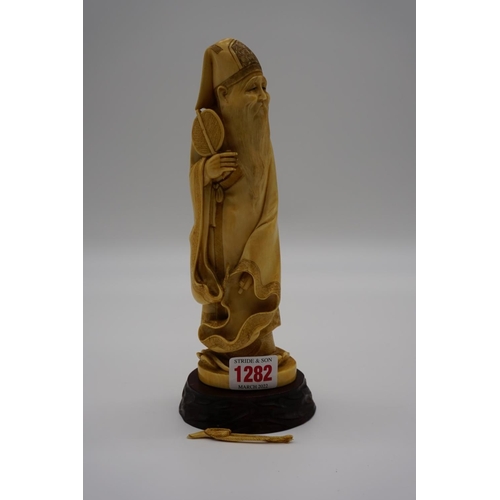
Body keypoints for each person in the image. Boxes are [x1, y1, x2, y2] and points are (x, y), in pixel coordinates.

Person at [189, 39, 294, 387]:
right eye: (252, 89)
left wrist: (260, 244)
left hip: (259, 238)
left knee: (256, 291)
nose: (263, 96)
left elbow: (272, 194)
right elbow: (195, 177)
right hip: (223, 238)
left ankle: (259, 347)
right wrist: (207, 172)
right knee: (230, 293)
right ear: (223, 94)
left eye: (264, 87)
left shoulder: (262, 135)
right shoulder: (208, 132)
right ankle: (228, 353)